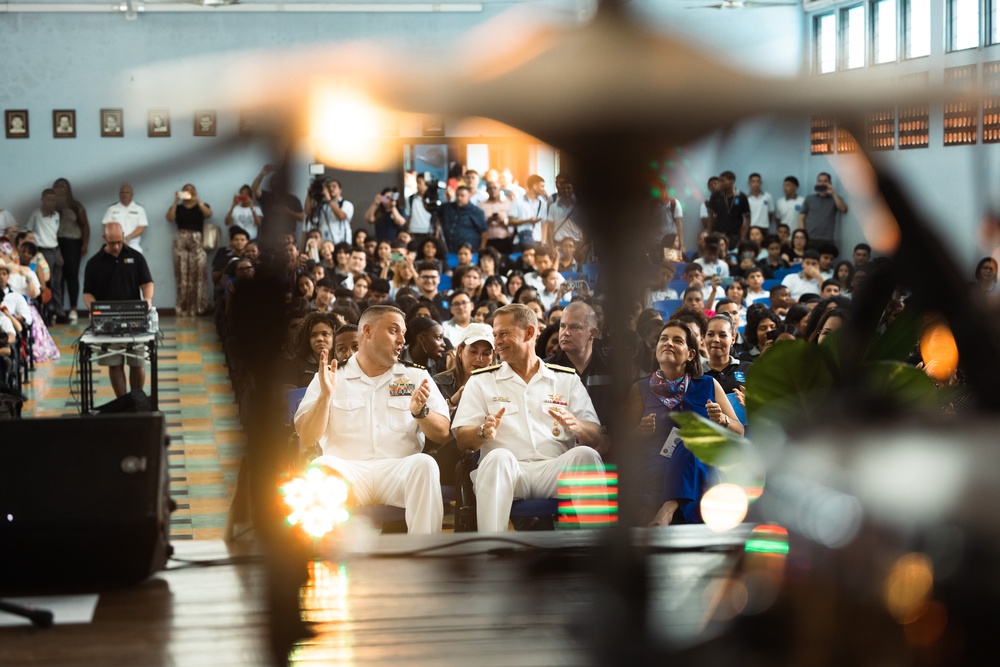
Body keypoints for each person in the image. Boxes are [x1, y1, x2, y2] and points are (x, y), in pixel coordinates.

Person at [294, 305, 451, 534]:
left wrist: (421, 412)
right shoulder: (330, 376)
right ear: (367, 331)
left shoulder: (415, 376)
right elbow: (307, 437)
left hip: (398, 470)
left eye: (403, 334)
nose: (402, 341)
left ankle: (424, 552)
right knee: (321, 467)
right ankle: (328, 557)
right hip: (347, 471)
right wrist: (325, 397)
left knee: (425, 464)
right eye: (394, 331)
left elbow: (443, 433)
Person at [452, 304, 605, 533]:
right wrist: (482, 432)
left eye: (504, 333)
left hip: (552, 470)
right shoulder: (481, 381)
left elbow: (594, 435)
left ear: (530, 333)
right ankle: (492, 548)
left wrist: (577, 425)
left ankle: (600, 551)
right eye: (495, 335)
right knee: (497, 458)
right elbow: (463, 440)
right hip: (509, 473)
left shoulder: (565, 379)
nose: (498, 341)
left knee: (587, 454)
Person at [626, 320, 744, 526]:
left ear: (690, 354)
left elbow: (739, 431)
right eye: (663, 339)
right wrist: (639, 432)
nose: (668, 343)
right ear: (656, 350)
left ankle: (667, 508)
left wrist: (723, 420)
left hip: (701, 462)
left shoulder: (708, 384)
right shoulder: (640, 388)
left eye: (677, 340)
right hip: (656, 463)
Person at [82, 222, 154, 398]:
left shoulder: (136, 258)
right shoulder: (93, 263)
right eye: (112, 243)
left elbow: (147, 282)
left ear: (123, 236)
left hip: (134, 315)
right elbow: (88, 293)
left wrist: (147, 300)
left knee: (138, 362)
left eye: (119, 242)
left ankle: (136, 399)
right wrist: (93, 309)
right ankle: (123, 402)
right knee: (114, 364)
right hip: (107, 317)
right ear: (104, 238)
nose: (116, 247)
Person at [166, 183, 212, 317]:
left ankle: (198, 307)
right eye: (186, 190)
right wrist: (175, 201)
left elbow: (208, 214)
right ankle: (183, 308)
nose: (189, 192)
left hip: (197, 240)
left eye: (191, 190)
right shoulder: (178, 207)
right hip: (180, 239)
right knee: (182, 274)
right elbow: (170, 218)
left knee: (198, 274)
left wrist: (198, 200)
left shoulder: (201, 206)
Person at [53, 178, 90, 324]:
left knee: (71, 275)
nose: (61, 189)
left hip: (73, 243)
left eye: (63, 186)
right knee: (57, 277)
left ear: (68, 188)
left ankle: (73, 308)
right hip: (55, 243)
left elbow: (85, 226)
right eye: (58, 186)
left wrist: (85, 244)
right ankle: (59, 309)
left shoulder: (76, 205)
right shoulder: (51, 206)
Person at [26, 188, 65, 319]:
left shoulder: (57, 215)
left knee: (57, 283)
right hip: (42, 250)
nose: (51, 202)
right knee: (47, 282)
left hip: (55, 250)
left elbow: (55, 236)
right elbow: (28, 231)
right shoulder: (36, 214)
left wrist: (59, 254)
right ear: (42, 200)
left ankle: (60, 312)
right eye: (48, 199)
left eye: (53, 200)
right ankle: (49, 312)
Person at [251, 164, 305, 242]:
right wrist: (262, 174)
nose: (276, 184)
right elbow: (254, 189)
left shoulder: (293, 199)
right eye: (273, 181)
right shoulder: (267, 196)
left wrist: (288, 212)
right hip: (268, 236)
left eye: (279, 181)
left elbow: (302, 217)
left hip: (287, 237)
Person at [703, 314, 752, 394]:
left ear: (733, 339)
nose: (716, 340)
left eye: (722, 335)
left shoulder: (748, 369)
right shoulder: (696, 373)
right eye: (710, 334)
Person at [799, 172, 848, 246]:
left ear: (830, 183)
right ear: (817, 183)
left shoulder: (835, 199)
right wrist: (802, 235)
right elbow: (801, 218)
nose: (822, 183)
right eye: (820, 181)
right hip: (809, 238)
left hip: (827, 239)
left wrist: (833, 193)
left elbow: (843, 209)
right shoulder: (809, 198)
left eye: (825, 181)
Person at [102, 183, 149, 254]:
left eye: (127, 192)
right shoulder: (112, 209)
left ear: (132, 194)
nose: (124, 195)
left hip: (133, 245)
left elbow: (141, 228)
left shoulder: (139, 209)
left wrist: (127, 238)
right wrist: (119, 240)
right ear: (119, 194)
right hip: (115, 246)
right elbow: (107, 227)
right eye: (122, 193)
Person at [707, 170, 750, 247]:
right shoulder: (715, 195)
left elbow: (748, 218)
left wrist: (743, 236)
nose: (720, 183)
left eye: (723, 181)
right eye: (719, 181)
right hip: (717, 233)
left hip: (735, 234)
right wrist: (709, 233)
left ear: (732, 181)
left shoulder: (741, 196)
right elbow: (711, 215)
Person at [306, 179, 354, 245]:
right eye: (328, 187)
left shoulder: (346, 204)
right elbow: (308, 213)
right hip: (324, 245)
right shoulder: (322, 205)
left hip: (341, 244)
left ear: (340, 190)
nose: (331, 189)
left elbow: (341, 216)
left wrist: (328, 199)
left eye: (334, 186)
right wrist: (309, 194)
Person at [440, 186, 487, 253]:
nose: (459, 198)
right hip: (448, 248)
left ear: (469, 196)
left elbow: (483, 231)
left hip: (468, 251)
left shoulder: (476, 211)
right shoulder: (447, 208)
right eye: (457, 195)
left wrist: (482, 248)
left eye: (462, 196)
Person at [544, 174, 583, 246]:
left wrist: (583, 244)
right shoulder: (553, 204)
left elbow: (584, 225)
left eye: (569, 188)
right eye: (563, 188)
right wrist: (551, 246)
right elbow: (550, 227)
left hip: (577, 243)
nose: (566, 191)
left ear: (572, 189)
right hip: (558, 242)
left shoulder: (579, 205)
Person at [478, 180, 513, 254]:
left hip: (504, 240)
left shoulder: (508, 203)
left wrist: (503, 220)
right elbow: (478, 224)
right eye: (490, 188)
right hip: (488, 240)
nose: (492, 190)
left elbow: (513, 221)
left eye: (495, 188)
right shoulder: (481, 205)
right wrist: (488, 221)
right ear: (486, 190)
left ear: (500, 189)